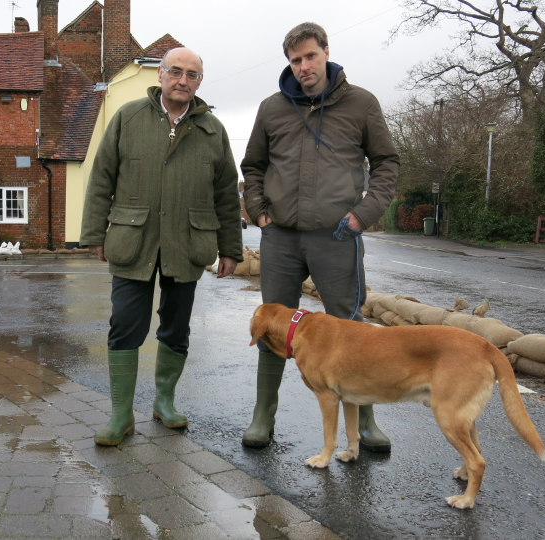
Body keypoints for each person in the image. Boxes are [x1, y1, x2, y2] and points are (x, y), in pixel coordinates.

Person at [240, 23, 400, 451]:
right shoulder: (272, 107)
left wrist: (361, 216)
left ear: (326, 52)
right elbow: (252, 165)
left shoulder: (361, 103)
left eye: (310, 56)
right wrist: (257, 210)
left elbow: (386, 163)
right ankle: (262, 417)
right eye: (295, 60)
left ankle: (365, 421)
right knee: (272, 328)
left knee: (351, 330)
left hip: (337, 237)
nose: (304, 66)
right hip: (281, 239)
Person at [80, 47, 243, 446]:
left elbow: (226, 194)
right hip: (132, 240)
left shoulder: (213, 130)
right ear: (160, 76)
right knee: (124, 326)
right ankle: (121, 415)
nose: (182, 80)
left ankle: (164, 402)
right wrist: (93, 234)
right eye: (175, 72)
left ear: (199, 82)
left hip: (187, 243)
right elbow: (101, 179)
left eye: (191, 74)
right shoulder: (127, 118)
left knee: (176, 327)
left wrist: (231, 249)